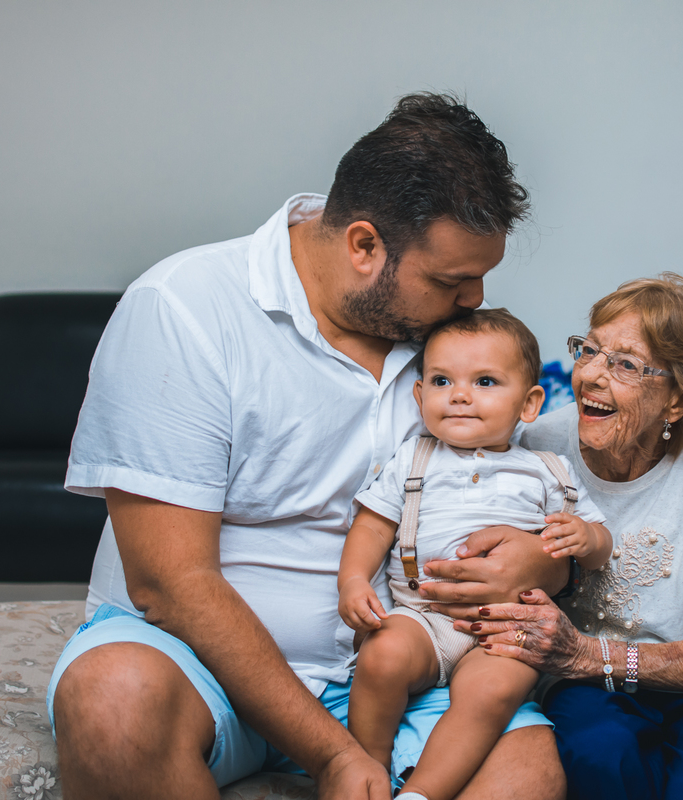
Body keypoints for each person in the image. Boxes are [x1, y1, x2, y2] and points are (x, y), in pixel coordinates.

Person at [44, 93, 569, 800]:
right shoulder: (184, 308)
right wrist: (334, 755)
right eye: (452, 279)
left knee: (528, 774)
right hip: (197, 667)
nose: (475, 298)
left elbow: (524, 481)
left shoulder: (449, 347)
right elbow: (170, 585)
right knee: (112, 702)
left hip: (399, 664)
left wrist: (542, 561)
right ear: (363, 246)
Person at [439, 273, 683, 800]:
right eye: (590, 351)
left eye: (625, 364)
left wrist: (590, 654)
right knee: (598, 755)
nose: (591, 377)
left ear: (676, 401)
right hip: (585, 689)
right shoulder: (540, 441)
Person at [338, 309, 612, 800]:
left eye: (485, 381)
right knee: (382, 657)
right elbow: (373, 526)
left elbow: (597, 549)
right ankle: (369, 769)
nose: (460, 394)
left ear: (528, 404)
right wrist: (354, 582)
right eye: (442, 380)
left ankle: (422, 792)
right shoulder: (414, 458)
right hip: (421, 613)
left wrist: (588, 540)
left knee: (494, 691)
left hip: (505, 625)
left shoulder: (547, 471)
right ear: (421, 397)